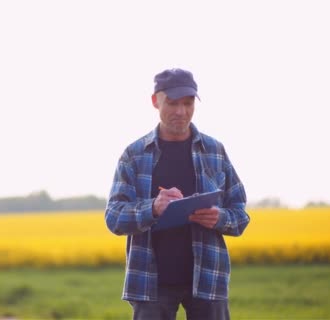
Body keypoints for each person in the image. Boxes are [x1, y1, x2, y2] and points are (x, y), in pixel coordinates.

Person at [105, 68, 250, 320]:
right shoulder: (134, 154)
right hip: (150, 284)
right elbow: (114, 218)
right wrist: (153, 207)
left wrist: (220, 218)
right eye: (172, 103)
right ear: (155, 101)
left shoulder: (215, 150)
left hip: (208, 279)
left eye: (188, 102)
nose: (181, 111)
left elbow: (240, 215)